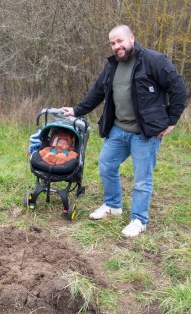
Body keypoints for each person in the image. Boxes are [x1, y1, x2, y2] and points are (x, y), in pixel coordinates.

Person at [61, 24, 188, 237]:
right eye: (112, 43)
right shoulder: (112, 66)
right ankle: (113, 206)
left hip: (145, 134)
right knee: (106, 164)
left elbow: (179, 89)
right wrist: (76, 110)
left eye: (120, 41)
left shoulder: (153, 60)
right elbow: (97, 92)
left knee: (142, 179)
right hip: (118, 130)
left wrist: (172, 121)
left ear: (132, 38)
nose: (116, 46)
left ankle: (139, 220)